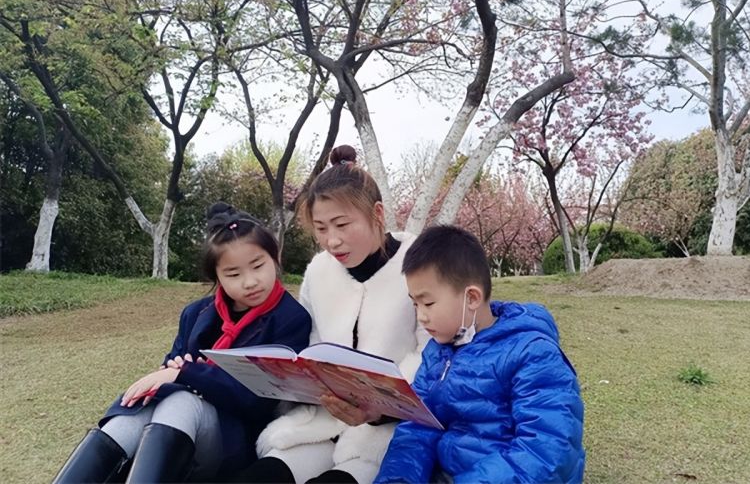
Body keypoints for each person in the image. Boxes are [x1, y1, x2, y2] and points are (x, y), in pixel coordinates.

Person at [53, 203, 312, 483]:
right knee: (134, 411)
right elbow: (173, 365)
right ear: (217, 276)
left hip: (235, 438)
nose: (250, 282)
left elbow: (258, 399)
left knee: (181, 401)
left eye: (258, 266)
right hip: (181, 428)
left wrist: (187, 373)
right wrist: (174, 372)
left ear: (275, 258)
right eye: (233, 274)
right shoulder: (196, 313)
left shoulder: (291, 319)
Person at [240, 145, 428, 484]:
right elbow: (311, 348)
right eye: (321, 228)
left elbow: (433, 356)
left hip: (389, 433)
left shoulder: (420, 264)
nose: (332, 241)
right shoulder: (318, 272)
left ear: (377, 213)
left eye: (341, 224)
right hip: (323, 422)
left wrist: (378, 409)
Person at [375, 225, 585, 484]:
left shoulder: (533, 354)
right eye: (414, 303)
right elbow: (418, 426)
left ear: (472, 298)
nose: (421, 316)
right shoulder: (437, 352)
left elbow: (547, 452)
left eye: (428, 303)